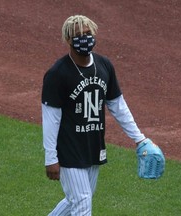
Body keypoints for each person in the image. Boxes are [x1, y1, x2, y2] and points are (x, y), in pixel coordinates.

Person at [41, 15, 147, 216]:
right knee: (82, 204)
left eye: (88, 34)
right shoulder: (57, 74)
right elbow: (50, 118)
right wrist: (51, 158)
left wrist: (139, 138)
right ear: (68, 40)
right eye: (78, 35)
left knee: (78, 200)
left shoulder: (104, 65)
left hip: (93, 147)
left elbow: (118, 106)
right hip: (69, 150)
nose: (84, 38)